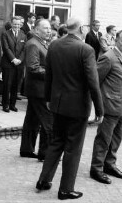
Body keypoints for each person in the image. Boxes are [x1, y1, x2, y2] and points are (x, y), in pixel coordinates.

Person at [36, 17, 103, 201]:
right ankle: (65, 190)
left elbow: (49, 74)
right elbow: (93, 82)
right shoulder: (86, 49)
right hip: (77, 107)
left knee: (56, 142)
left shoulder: (55, 45)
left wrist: (48, 98)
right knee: (73, 148)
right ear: (81, 28)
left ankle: (43, 180)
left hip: (58, 104)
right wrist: (99, 109)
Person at [90, 30, 122, 184]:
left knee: (116, 139)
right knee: (104, 139)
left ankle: (109, 164)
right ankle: (96, 168)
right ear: (116, 41)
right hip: (109, 107)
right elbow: (95, 81)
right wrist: (98, 106)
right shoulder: (108, 57)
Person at [20, 19, 53, 161]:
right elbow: (33, 68)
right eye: (45, 28)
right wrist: (53, 72)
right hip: (38, 90)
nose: (49, 30)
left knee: (32, 120)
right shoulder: (33, 44)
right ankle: (45, 154)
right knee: (48, 122)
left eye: (49, 28)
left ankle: (27, 150)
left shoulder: (42, 43)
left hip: (38, 89)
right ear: (36, 30)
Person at [1, 16, 26, 112]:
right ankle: (5, 105)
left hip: (19, 64)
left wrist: (20, 59)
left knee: (16, 85)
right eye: (15, 24)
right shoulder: (5, 34)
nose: (16, 26)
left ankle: (12, 104)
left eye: (18, 24)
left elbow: (24, 49)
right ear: (11, 24)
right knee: (7, 85)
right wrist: (13, 59)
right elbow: (6, 48)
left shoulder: (23, 35)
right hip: (8, 64)